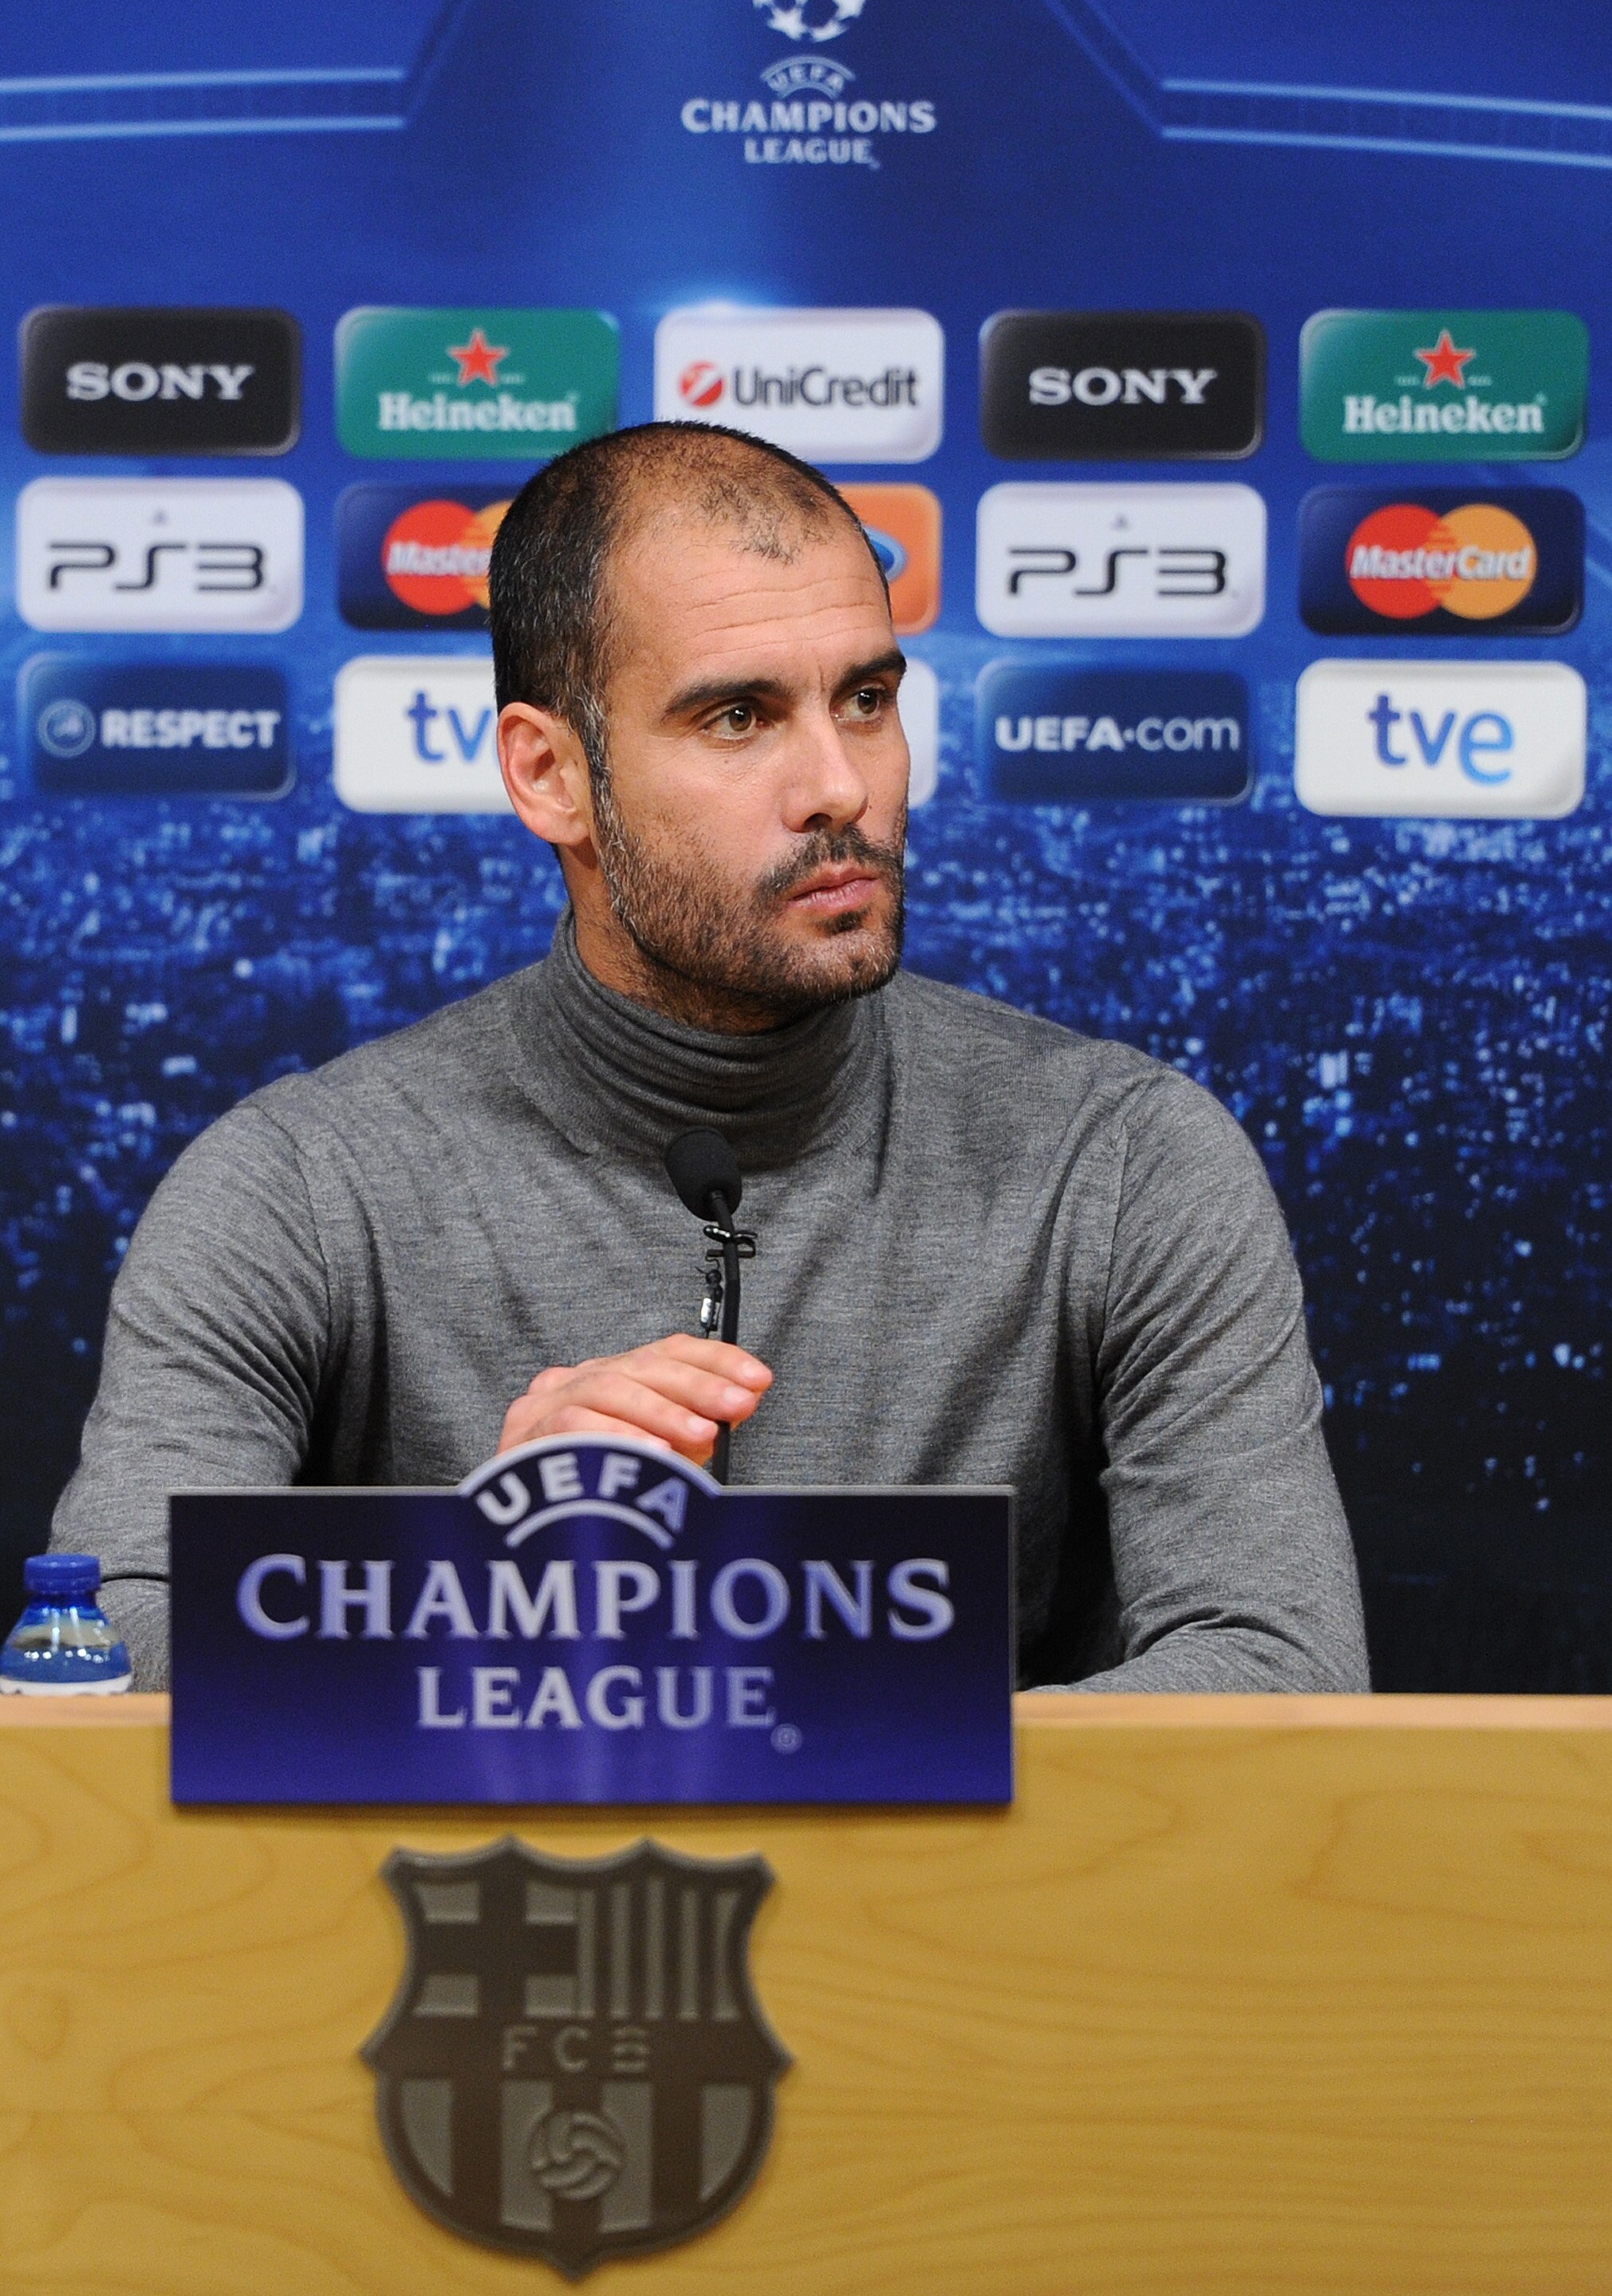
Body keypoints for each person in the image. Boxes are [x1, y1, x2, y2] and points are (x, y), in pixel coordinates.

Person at [51, 422, 1369, 1694]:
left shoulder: (1125, 1161)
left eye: (866, 700)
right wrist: (470, 1581)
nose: (839, 785)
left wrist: (754, 1710)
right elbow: (101, 1651)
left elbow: (1281, 1670)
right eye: (738, 717)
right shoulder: (296, 1187)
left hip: (951, 1866)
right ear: (550, 775)